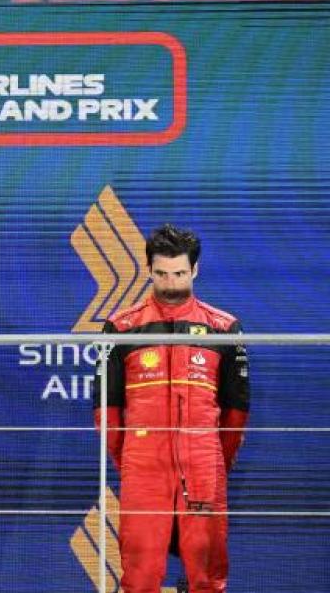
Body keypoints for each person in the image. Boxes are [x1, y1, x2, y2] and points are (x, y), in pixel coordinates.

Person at [95, 224, 249, 593]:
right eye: (162, 273)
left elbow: (236, 411)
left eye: (179, 273)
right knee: (140, 575)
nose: (171, 283)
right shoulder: (121, 327)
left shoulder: (223, 328)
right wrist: (132, 460)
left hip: (202, 462)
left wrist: (211, 459)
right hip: (143, 465)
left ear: (194, 270)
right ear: (149, 269)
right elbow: (107, 409)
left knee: (207, 575)